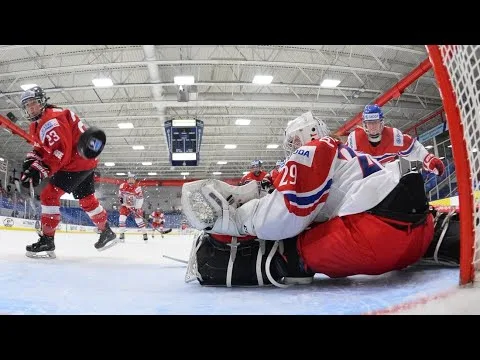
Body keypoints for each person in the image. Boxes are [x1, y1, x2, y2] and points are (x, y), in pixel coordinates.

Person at [181, 111, 460, 288]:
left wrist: (240, 222)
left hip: (377, 239)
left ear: (309, 135)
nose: (291, 149)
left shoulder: (316, 148)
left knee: (293, 245)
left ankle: (286, 263)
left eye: (293, 141)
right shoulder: (341, 154)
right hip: (418, 231)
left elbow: (286, 215)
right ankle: (442, 239)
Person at [19, 86, 117, 259]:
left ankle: (47, 240)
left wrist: (41, 169)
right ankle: (106, 231)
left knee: (49, 195)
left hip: (75, 163)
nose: (31, 108)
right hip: (86, 161)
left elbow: (60, 153)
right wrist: (32, 159)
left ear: (42, 102)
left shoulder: (50, 120)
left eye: (34, 103)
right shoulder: (44, 119)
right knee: (87, 199)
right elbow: (42, 147)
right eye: (27, 105)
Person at [346, 104, 445, 176]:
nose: (372, 127)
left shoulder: (393, 137)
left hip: (385, 175)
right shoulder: (355, 139)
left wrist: (427, 158)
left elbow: (414, 149)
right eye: (369, 123)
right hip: (362, 178)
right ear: (364, 124)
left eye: (375, 122)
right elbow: (344, 162)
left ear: (381, 122)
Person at [118, 172, 148, 242]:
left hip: (135, 206)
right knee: (121, 218)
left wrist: (137, 208)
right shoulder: (122, 186)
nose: (131, 181)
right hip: (125, 206)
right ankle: (121, 234)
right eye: (129, 179)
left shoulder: (137, 188)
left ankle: (144, 234)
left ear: (135, 180)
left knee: (138, 221)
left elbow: (140, 199)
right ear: (127, 179)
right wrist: (123, 203)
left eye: (132, 179)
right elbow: (120, 197)